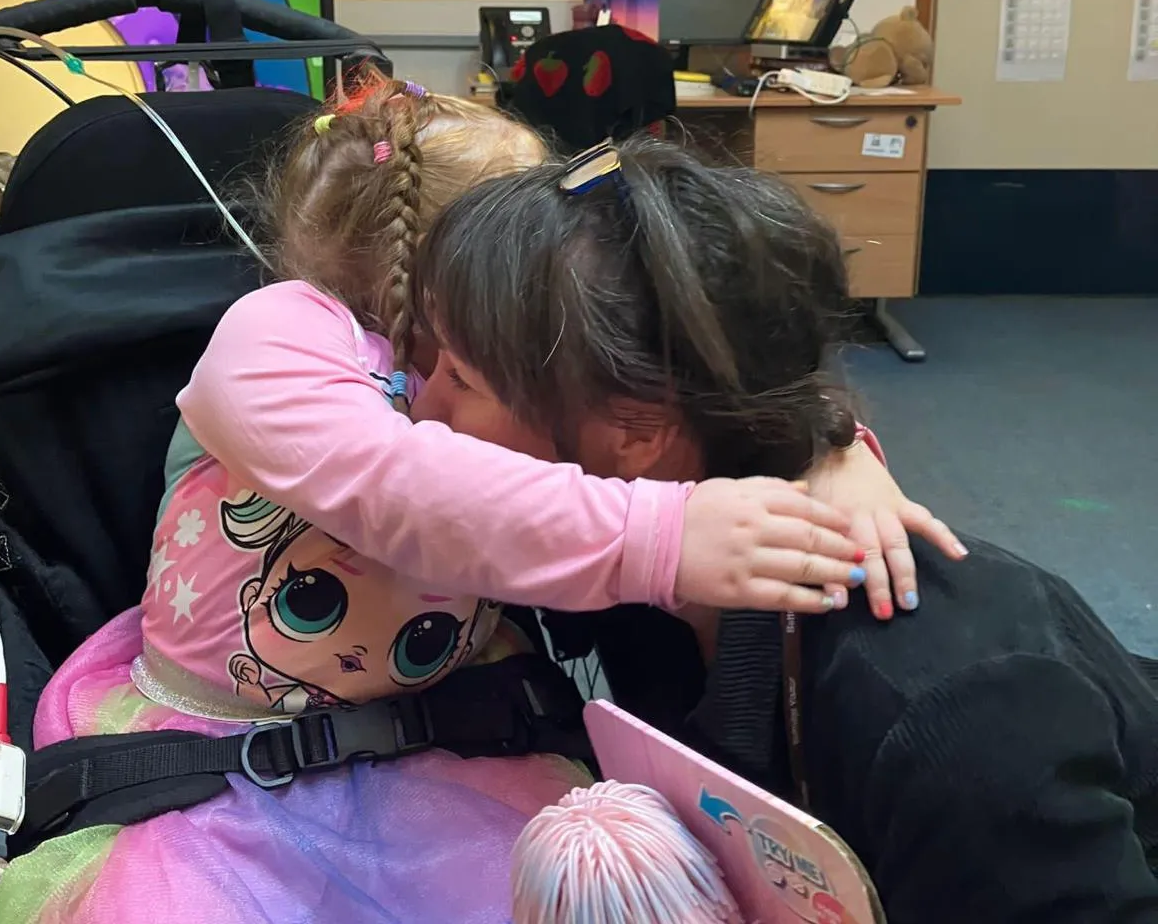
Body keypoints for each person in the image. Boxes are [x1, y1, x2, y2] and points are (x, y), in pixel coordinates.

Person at [0, 80, 951, 923]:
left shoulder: (502, 378)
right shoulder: (274, 334)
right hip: (218, 758)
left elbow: (674, 411)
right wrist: (657, 537)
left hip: (442, 744)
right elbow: (398, 486)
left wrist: (828, 450)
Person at [410, 134, 1158, 922]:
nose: (421, 412)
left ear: (637, 429)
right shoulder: (635, 544)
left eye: (461, 378)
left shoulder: (947, 710)